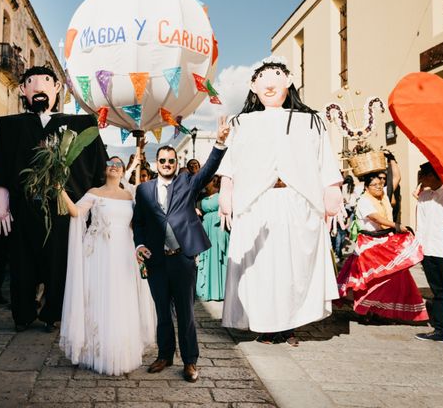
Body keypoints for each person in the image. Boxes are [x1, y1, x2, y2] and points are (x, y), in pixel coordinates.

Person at [218, 56, 342, 346]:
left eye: (276, 74)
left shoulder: (311, 121)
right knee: (262, 268)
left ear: (289, 80)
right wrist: (227, 194)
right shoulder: (241, 123)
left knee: (293, 268)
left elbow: (325, 162)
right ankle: (266, 324)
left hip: (296, 204)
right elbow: (231, 165)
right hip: (256, 205)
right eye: (262, 77)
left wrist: (332, 194)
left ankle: (290, 324)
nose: (269, 82)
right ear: (252, 85)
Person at [0, 66, 107, 332]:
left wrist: (96, 207)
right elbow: (0, 164)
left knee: (60, 262)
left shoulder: (80, 124)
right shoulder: (8, 126)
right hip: (23, 208)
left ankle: (53, 312)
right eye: (30, 83)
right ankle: (23, 314)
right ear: (22, 90)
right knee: (21, 262)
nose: (38, 87)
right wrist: (0, 199)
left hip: (63, 208)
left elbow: (97, 167)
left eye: (45, 82)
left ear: (57, 89)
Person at [132, 118, 230, 383]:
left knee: (186, 313)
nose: (166, 165)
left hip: (182, 259)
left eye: (171, 161)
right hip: (156, 261)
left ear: (176, 164)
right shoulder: (143, 190)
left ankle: (190, 361)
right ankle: (165, 355)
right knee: (162, 311)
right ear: (156, 164)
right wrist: (139, 245)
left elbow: (208, 170)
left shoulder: (187, 182)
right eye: (162, 161)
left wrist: (220, 142)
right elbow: (139, 223)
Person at [59, 156, 156, 375]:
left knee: (122, 297)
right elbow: (75, 212)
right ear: (105, 169)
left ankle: (121, 350)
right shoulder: (94, 192)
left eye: (118, 165)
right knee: (100, 297)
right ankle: (97, 351)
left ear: (123, 172)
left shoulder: (131, 195)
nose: (114, 166)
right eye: (110, 163)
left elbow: (136, 224)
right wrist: (59, 188)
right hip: (99, 253)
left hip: (124, 251)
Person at [337, 173, 428, 321]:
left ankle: (377, 310)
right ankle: (365, 310)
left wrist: (391, 158)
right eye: (374, 185)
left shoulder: (383, 197)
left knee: (392, 277)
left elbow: (396, 179)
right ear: (367, 187)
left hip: (385, 240)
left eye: (380, 184)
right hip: (369, 244)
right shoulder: (364, 201)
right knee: (372, 279)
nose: (379, 187)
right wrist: (396, 225)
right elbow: (375, 217)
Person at [415, 162, 443, 342]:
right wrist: (419, 250)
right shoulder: (424, 197)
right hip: (429, 251)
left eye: (425, 175)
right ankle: (440, 329)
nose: (421, 178)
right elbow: (420, 224)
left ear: (435, 176)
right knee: (438, 292)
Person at [196, 175, 229, 302]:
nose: (205, 184)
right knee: (208, 256)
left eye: (208, 181)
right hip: (206, 229)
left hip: (218, 227)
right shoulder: (202, 197)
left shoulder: (222, 195)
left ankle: (221, 290)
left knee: (219, 257)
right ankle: (208, 291)